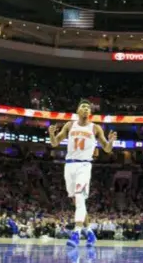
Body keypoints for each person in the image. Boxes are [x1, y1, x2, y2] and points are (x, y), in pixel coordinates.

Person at [48, 100, 117, 248]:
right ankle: (90, 233)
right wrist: (51, 135)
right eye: (83, 107)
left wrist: (111, 142)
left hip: (84, 165)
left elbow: (106, 149)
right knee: (78, 202)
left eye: (88, 107)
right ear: (77, 110)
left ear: (90, 112)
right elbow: (54, 143)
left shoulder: (95, 128)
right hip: (69, 165)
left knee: (80, 198)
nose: (86, 109)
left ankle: (76, 234)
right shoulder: (69, 125)